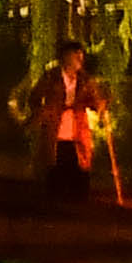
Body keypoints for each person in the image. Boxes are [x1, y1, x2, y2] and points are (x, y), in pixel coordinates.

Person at [35, 43, 108, 195]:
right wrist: (44, 111)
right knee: (56, 158)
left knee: (79, 158)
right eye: (76, 55)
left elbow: (94, 99)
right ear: (66, 57)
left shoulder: (85, 79)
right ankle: (56, 194)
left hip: (77, 125)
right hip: (56, 123)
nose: (80, 59)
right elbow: (35, 96)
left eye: (81, 56)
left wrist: (99, 104)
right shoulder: (51, 76)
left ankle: (78, 195)